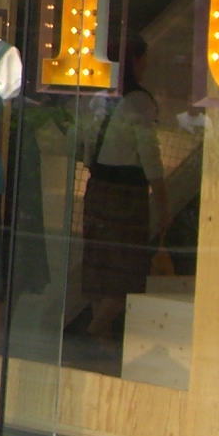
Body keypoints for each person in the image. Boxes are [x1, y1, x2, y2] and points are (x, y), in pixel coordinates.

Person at [69, 34, 167, 342]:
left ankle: (101, 332)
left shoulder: (98, 98)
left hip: (97, 188)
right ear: (133, 61)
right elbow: (149, 155)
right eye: (143, 59)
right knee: (128, 266)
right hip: (127, 195)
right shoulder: (139, 103)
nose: (146, 65)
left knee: (99, 262)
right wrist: (161, 199)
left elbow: (84, 145)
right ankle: (98, 327)